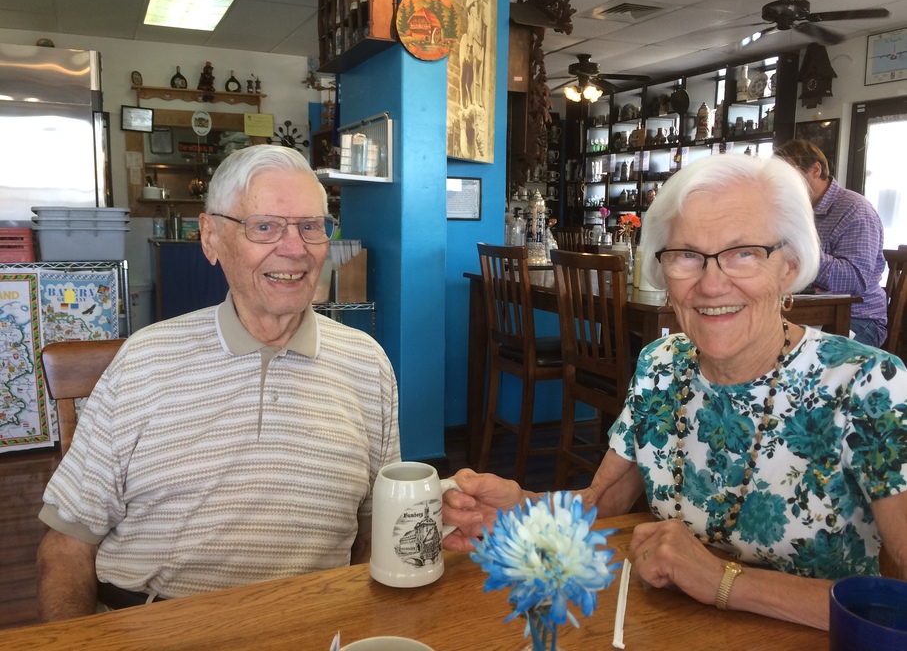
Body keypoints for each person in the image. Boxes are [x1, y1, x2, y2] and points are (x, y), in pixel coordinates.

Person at [443, 153, 907, 630]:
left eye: (743, 252)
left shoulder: (867, 384)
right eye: (687, 254)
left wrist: (724, 582)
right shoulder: (662, 365)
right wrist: (520, 509)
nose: (711, 283)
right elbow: (604, 501)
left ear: (789, 266)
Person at [36, 145, 400, 621]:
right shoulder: (144, 362)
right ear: (211, 237)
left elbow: (376, 534)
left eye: (311, 226)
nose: (295, 249)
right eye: (264, 226)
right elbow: (67, 545)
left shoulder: (367, 364)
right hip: (153, 626)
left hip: (309, 624)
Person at [774, 139, 887, 347]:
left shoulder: (855, 209)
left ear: (815, 170)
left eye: (788, 175)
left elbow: (854, 281)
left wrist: (801, 251)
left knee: (798, 355)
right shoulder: (794, 210)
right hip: (807, 310)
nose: (781, 184)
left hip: (859, 318)